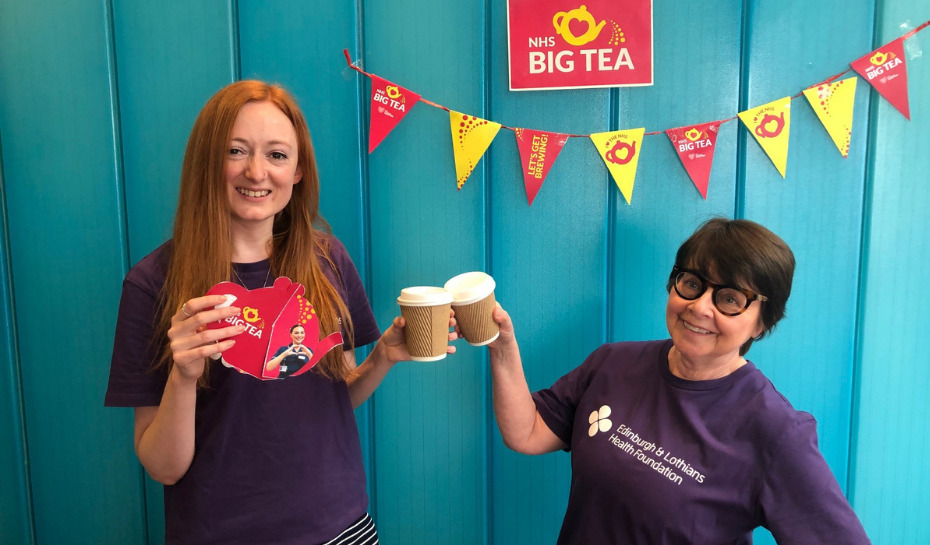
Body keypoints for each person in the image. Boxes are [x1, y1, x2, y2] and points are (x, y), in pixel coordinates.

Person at [105, 80, 455, 545]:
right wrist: (183, 377)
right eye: (235, 150)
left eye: (276, 155)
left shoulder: (327, 260)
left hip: (342, 527)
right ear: (206, 162)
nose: (256, 172)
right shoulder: (153, 284)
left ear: (298, 172)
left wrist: (382, 359)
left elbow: (330, 398)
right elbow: (162, 467)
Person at [485, 218, 871, 544]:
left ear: (763, 320)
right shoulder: (613, 364)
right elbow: (528, 432)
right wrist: (502, 344)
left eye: (731, 298)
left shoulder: (775, 430)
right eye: (692, 283)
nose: (700, 307)